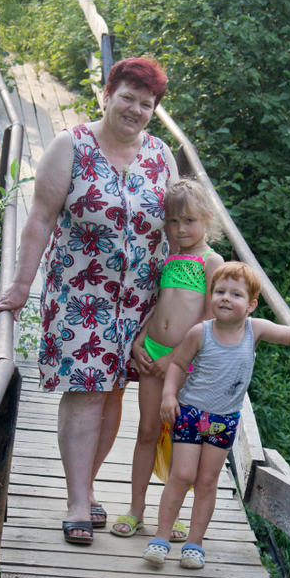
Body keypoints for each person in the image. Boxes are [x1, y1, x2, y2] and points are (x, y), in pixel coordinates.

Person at [0, 56, 178, 544]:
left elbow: (180, 231)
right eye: (127, 98)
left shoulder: (162, 156)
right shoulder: (70, 145)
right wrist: (19, 285)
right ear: (107, 95)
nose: (135, 110)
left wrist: (187, 294)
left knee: (113, 393)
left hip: (141, 302)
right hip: (81, 295)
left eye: (147, 103)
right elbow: (39, 219)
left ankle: (88, 485)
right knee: (87, 390)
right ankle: (77, 500)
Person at [142, 261, 290, 568]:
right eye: (219, 292)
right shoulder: (200, 332)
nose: (226, 298)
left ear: (251, 305)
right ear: (211, 296)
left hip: (224, 421)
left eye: (236, 294)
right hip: (191, 414)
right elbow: (177, 364)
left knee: (207, 482)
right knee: (182, 475)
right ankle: (161, 538)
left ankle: (194, 544)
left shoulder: (255, 330)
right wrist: (168, 395)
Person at [110, 179, 224, 540]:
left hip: (184, 362)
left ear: (207, 218)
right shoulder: (171, 257)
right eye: (173, 222)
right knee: (147, 430)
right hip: (152, 354)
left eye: (189, 221)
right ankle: (136, 509)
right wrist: (140, 340)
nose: (180, 229)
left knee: (179, 436)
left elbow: (209, 319)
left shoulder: (211, 261)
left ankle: (171, 514)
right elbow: (162, 304)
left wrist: (177, 357)